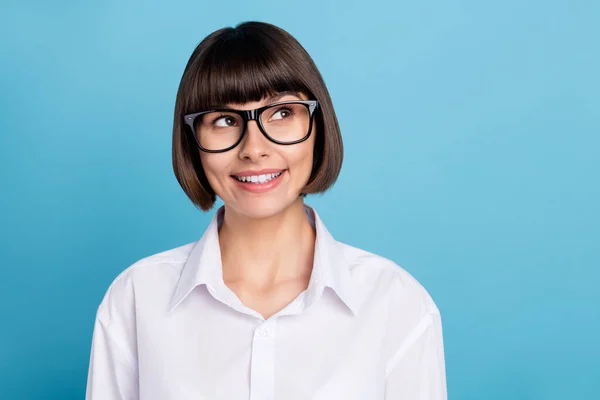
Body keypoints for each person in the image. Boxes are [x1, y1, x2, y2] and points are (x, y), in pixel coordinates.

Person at [85, 21, 447, 400]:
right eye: (224, 120)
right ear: (193, 142)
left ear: (318, 125)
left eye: (281, 113)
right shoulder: (137, 299)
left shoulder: (395, 302)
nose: (254, 149)